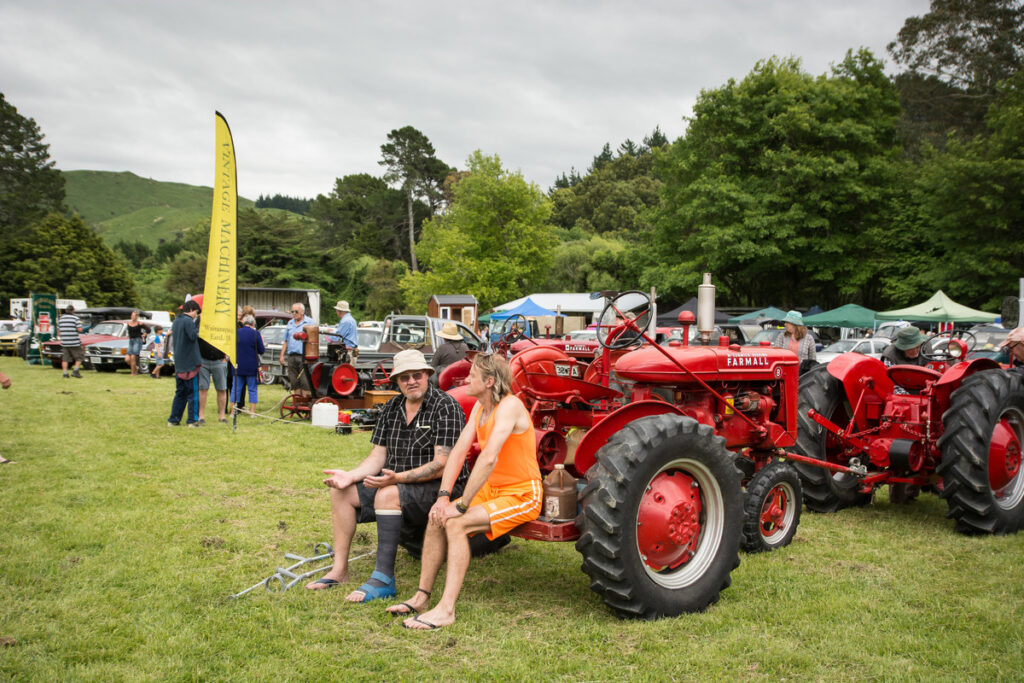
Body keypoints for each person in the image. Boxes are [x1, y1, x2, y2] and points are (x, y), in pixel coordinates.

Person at [305, 349, 473, 602]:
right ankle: (340, 570)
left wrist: (397, 479)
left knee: (387, 495)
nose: (411, 381)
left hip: (442, 489)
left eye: (417, 375)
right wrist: (350, 476)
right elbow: (377, 457)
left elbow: (442, 465)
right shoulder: (392, 407)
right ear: (396, 381)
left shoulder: (445, 406)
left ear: (428, 375)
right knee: (341, 491)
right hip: (396, 483)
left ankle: (383, 579)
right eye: (404, 377)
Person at [392, 353, 541, 630]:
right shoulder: (479, 408)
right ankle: (421, 597)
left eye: (472, 375)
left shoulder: (509, 406)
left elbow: (488, 458)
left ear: (489, 381)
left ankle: (446, 610)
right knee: (437, 516)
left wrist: (461, 506)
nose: (465, 378)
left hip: (521, 493)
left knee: (456, 522)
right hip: (493, 491)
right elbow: (459, 452)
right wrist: (443, 497)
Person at [168, 300, 203, 426]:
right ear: (192, 309)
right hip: (190, 364)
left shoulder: (176, 321)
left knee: (180, 393)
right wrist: (198, 327)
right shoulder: (188, 321)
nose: (196, 315)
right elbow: (193, 336)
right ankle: (193, 420)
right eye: (196, 312)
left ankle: (174, 419)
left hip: (179, 363)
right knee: (193, 394)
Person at [230, 314, 265, 417]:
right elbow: (261, 350)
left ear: (243, 322)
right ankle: (252, 412)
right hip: (251, 366)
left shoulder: (236, 333)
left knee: (236, 389)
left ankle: (233, 412)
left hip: (237, 365)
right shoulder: (256, 334)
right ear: (253, 323)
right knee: (252, 389)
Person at [280, 303, 314, 398]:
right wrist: (282, 355)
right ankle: (298, 402)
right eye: (292, 311)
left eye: (296, 311)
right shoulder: (290, 323)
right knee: (294, 380)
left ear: (302, 312)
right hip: (291, 356)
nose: (294, 313)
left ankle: (305, 401)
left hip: (304, 356)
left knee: (304, 380)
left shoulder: (310, 322)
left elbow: (313, 340)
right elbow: (286, 340)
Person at [197, 333, 229, 424]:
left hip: (219, 360)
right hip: (203, 360)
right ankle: (201, 416)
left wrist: (226, 357)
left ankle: (222, 416)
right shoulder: (201, 321)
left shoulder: (224, 321)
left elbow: (232, 338)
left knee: (222, 389)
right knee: (202, 388)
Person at [57, 305, 84, 379]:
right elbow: (80, 330)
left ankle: (65, 374)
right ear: (73, 311)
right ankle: (75, 371)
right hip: (74, 342)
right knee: (79, 357)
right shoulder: (75, 318)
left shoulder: (61, 319)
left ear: (66, 311)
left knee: (65, 359)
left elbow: (58, 332)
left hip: (65, 342)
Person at [126, 310, 146, 376]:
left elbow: (148, 329)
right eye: (131, 315)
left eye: (133, 315)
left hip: (137, 340)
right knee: (127, 359)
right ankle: (136, 368)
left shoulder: (139, 323)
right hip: (131, 341)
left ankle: (133, 373)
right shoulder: (128, 323)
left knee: (132, 357)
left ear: (136, 316)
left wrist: (144, 334)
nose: (132, 316)